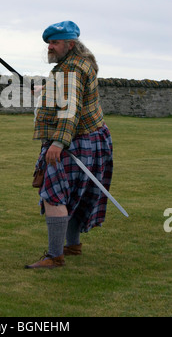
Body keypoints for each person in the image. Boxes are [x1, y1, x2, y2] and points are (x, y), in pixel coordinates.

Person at [25, 20, 113, 269]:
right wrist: (46, 88)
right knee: (76, 192)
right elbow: (75, 93)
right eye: (49, 43)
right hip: (95, 137)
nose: (50, 47)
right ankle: (72, 245)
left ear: (70, 44)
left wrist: (58, 143)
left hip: (75, 140)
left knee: (54, 194)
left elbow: (69, 110)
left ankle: (55, 256)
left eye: (55, 42)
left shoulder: (67, 71)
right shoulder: (82, 63)